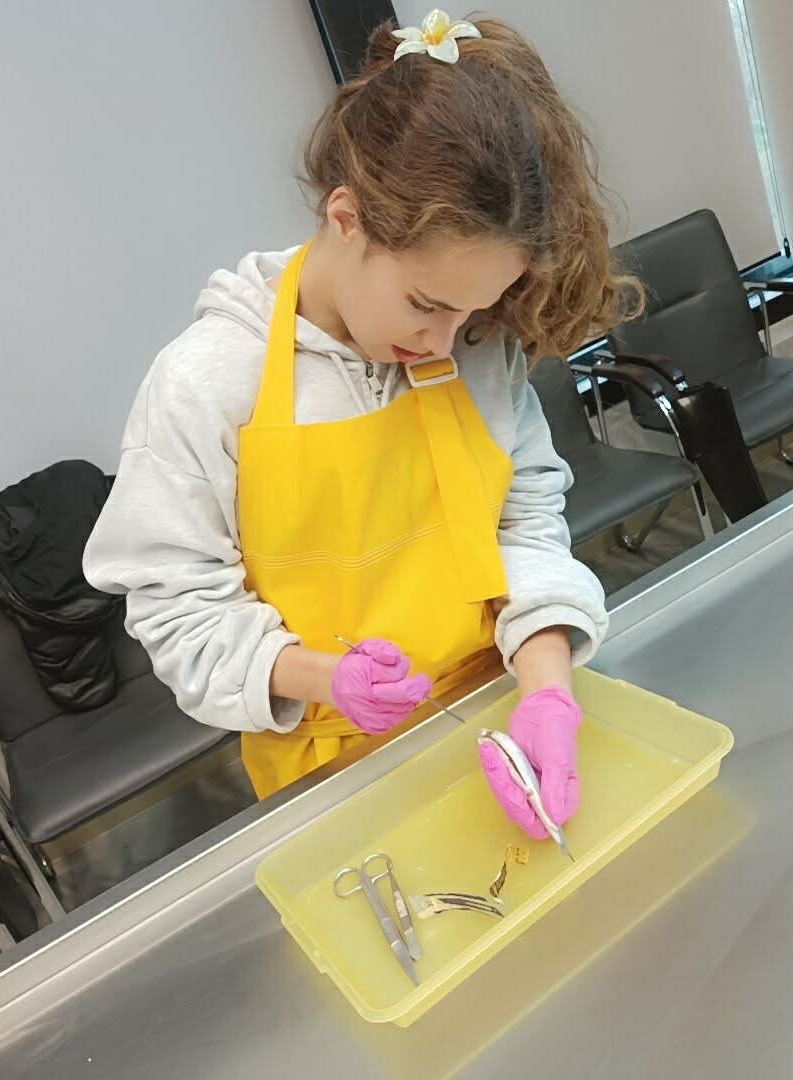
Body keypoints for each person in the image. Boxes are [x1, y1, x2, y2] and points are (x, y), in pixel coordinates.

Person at [83, 10, 642, 839]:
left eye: (472, 312)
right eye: (425, 303)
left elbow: (522, 521)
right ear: (346, 219)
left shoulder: (474, 347)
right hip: (334, 768)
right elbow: (179, 613)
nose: (442, 342)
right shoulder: (206, 385)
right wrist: (322, 676)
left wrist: (549, 692)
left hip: (502, 701)